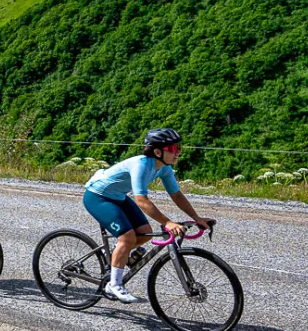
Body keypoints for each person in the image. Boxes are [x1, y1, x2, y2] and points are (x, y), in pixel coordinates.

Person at [83, 127, 212, 303]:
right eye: (174, 149)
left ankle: (117, 255)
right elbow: (142, 200)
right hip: (97, 196)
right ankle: (113, 285)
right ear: (158, 151)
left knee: (144, 232)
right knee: (127, 238)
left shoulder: (164, 168)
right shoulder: (141, 164)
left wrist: (197, 218)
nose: (178, 152)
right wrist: (167, 222)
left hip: (118, 197)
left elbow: (177, 195)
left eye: (179, 147)